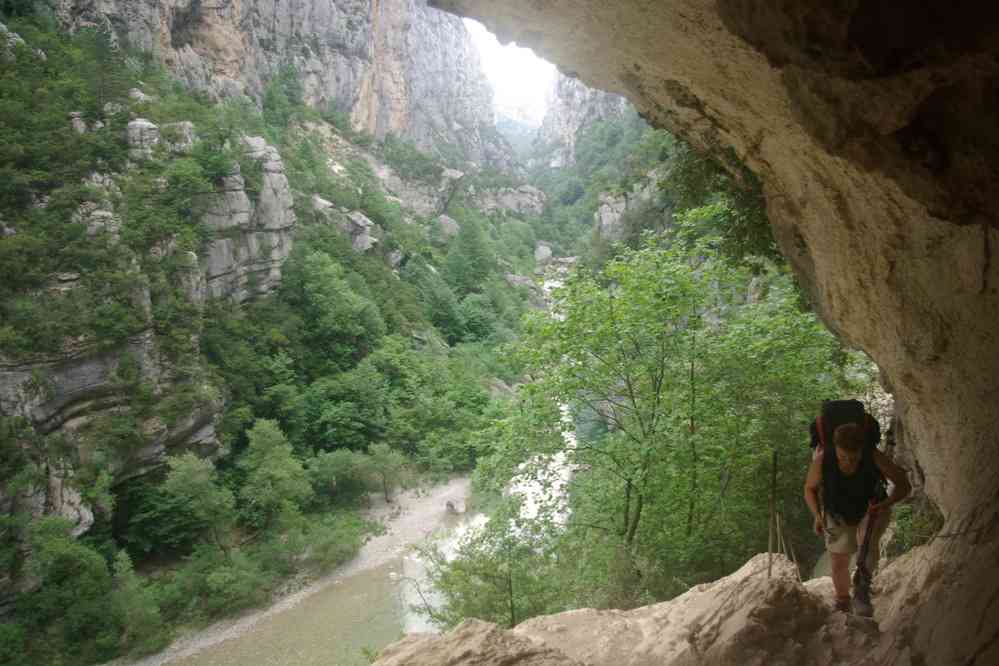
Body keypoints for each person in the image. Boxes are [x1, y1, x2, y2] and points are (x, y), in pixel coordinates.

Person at [803, 422, 911, 615]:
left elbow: (903, 485)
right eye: (843, 457)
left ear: (862, 449)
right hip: (836, 511)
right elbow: (809, 489)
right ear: (834, 448)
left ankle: (862, 590)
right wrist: (817, 516)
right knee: (838, 560)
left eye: (854, 458)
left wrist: (883, 505)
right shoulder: (823, 459)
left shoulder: (873, 455)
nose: (849, 463)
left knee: (867, 547)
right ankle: (843, 599)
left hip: (872, 508)